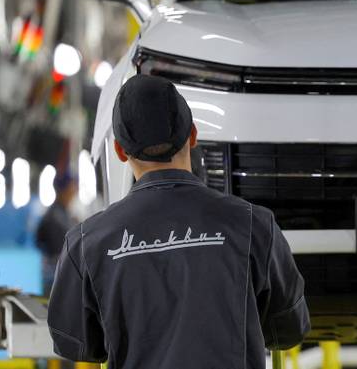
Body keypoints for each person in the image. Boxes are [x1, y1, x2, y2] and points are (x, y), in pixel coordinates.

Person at [47, 75, 310, 368]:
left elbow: (74, 342)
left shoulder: (86, 244)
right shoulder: (255, 225)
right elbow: (288, 330)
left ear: (120, 151)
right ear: (193, 135)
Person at [35, 171, 79, 293]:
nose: (75, 191)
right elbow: (63, 249)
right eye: (72, 186)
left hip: (59, 277)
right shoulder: (55, 218)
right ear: (64, 189)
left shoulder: (62, 215)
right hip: (57, 279)